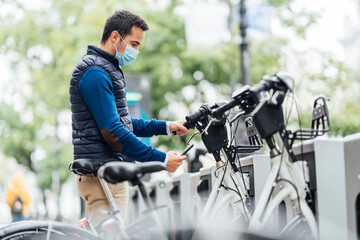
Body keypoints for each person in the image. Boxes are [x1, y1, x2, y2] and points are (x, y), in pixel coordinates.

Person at [69, 10, 190, 226]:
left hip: (106, 173)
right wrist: (160, 159)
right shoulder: (96, 73)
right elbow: (113, 131)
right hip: (104, 177)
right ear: (115, 37)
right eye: (134, 44)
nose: (136, 51)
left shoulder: (105, 69)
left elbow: (124, 123)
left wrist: (167, 127)